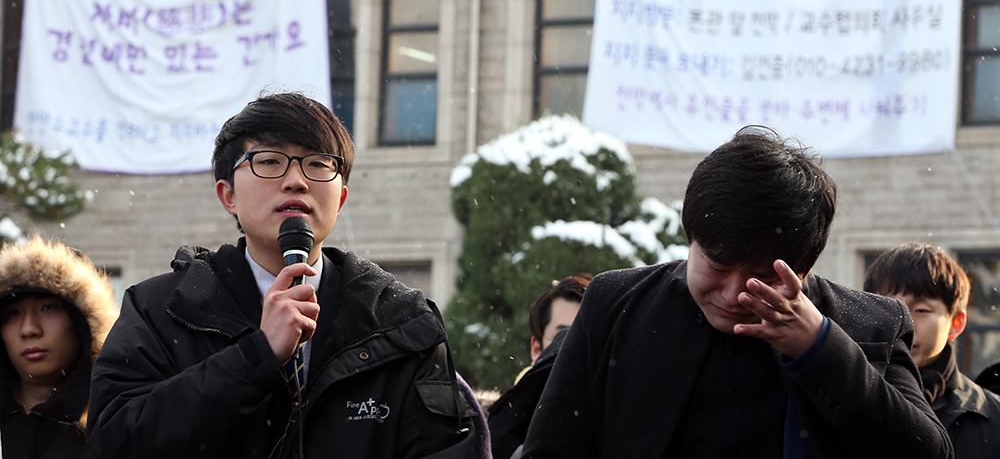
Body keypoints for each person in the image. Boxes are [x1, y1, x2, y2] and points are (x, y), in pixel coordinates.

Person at [521, 126, 953, 459]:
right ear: (691, 237)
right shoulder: (618, 304)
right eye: (717, 265)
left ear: (805, 267)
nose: (733, 294)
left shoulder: (870, 324)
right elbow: (553, 448)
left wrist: (819, 347)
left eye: (763, 276)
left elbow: (927, 451)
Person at [88, 91, 479, 459]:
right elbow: (114, 442)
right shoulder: (160, 310)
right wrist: (255, 358)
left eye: (318, 164)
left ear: (340, 198)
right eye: (270, 161)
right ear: (229, 197)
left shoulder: (402, 323)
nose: (296, 180)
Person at [864, 242, 1000, 457]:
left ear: (956, 323)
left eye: (922, 310)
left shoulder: (992, 419)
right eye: (890, 306)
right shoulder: (844, 399)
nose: (905, 323)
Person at [0, 236, 117, 459]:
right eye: (13, 313)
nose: (29, 329)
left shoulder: (118, 428)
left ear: (83, 321)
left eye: (48, 308)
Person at [488, 275, 591, 459]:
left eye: (584, 335)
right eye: (563, 336)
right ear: (536, 348)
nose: (574, 347)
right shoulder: (499, 429)